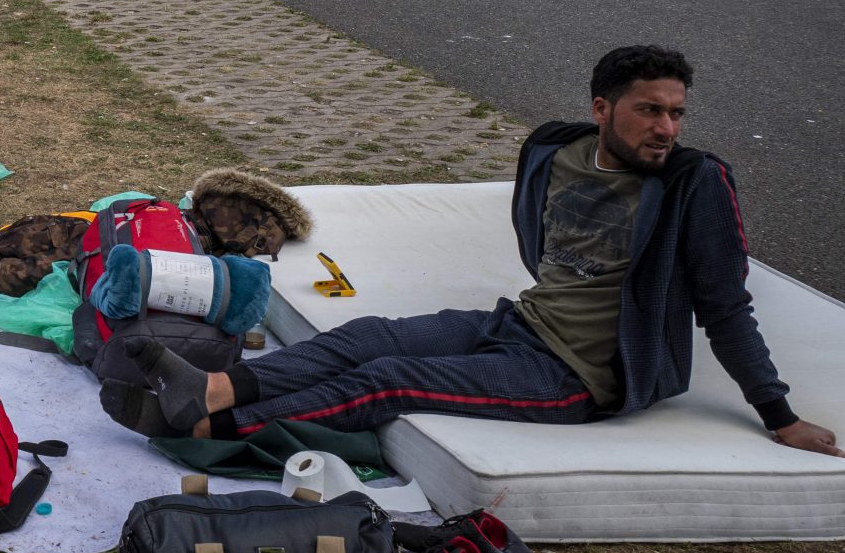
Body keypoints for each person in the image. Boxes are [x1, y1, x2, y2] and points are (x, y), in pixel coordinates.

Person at [102, 45, 842, 458]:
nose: (667, 129)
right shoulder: (557, 151)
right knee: (366, 334)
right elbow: (541, 240)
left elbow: (725, 306)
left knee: (392, 377)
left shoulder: (695, 183)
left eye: (677, 113)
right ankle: (217, 387)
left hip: (580, 375)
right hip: (521, 323)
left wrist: (777, 414)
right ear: (601, 110)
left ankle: (207, 426)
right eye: (650, 110)